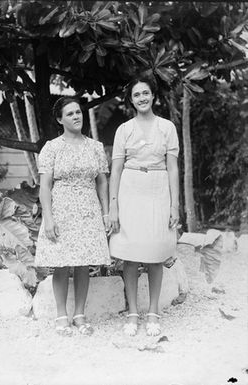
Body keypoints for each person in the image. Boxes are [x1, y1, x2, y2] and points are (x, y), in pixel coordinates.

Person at [109, 75, 179, 337]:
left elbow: (173, 168)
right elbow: (115, 170)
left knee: (155, 252)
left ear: (153, 96)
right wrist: (113, 206)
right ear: (131, 100)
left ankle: (153, 312)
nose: (142, 98)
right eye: (137, 94)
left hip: (158, 189)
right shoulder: (124, 129)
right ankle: (132, 312)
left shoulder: (167, 127)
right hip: (130, 189)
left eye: (145, 93)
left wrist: (174, 205)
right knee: (130, 253)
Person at [35, 96, 111, 336]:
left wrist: (106, 212)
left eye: (78, 112)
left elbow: (102, 182)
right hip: (62, 208)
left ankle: (79, 314)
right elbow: (45, 186)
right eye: (70, 114)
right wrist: (48, 217)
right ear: (60, 119)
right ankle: (61, 315)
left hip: (88, 208)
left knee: (82, 262)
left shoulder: (95, 147)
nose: (76, 116)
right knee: (61, 263)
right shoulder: (52, 148)